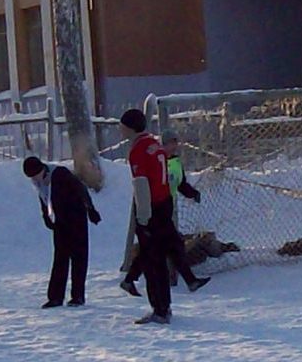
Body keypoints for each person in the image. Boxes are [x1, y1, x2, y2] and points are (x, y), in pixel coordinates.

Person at [120, 135, 209, 297]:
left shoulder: (174, 162)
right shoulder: (154, 159)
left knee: (156, 247)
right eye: (170, 144)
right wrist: (145, 212)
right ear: (163, 145)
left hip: (167, 207)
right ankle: (188, 281)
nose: (174, 147)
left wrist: (192, 193)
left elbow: (180, 183)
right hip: (155, 209)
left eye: (176, 143)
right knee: (171, 245)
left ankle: (130, 279)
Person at [121, 109, 182, 325]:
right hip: (165, 203)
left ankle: (159, 308)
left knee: (153, 260)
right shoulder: (154, 143)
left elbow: (142, 184)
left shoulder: (137, 150)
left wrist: (143, 217)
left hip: (152, 207)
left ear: (129, 127)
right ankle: (163, 305)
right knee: (157, 256)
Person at [24, 155, 102, 308]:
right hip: (60, 222)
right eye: (31, 177)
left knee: (79, 258)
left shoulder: (60, 173)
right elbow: (44, 199)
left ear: (41, 169)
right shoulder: (38, 181)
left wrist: (90, 209)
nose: (34, 179)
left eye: (35, 175)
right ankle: (55, 297)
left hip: (76, 218)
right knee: (60, 258)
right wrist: (46, 217)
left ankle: (78, 296)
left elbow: (81, 189)